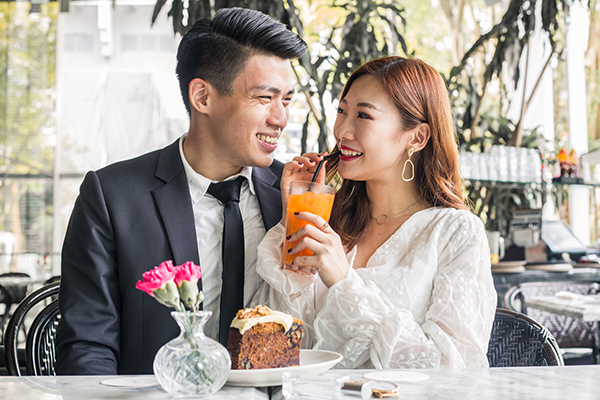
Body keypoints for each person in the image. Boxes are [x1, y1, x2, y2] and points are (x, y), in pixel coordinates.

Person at [55, 8, 307, 375]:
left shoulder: (296, 196)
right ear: (202, 97)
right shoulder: (112, 197)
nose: (280, 118)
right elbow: (87, 349)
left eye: (286, 99)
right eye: (264, 98)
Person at [254, 56, 497, 369]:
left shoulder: (455, 233)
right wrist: (296, 215)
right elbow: (272, 344)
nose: (342, 130)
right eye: (341, 111)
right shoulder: (331, 221)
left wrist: (344, 281)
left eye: (364, 115)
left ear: (417, 137)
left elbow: (453, 369)